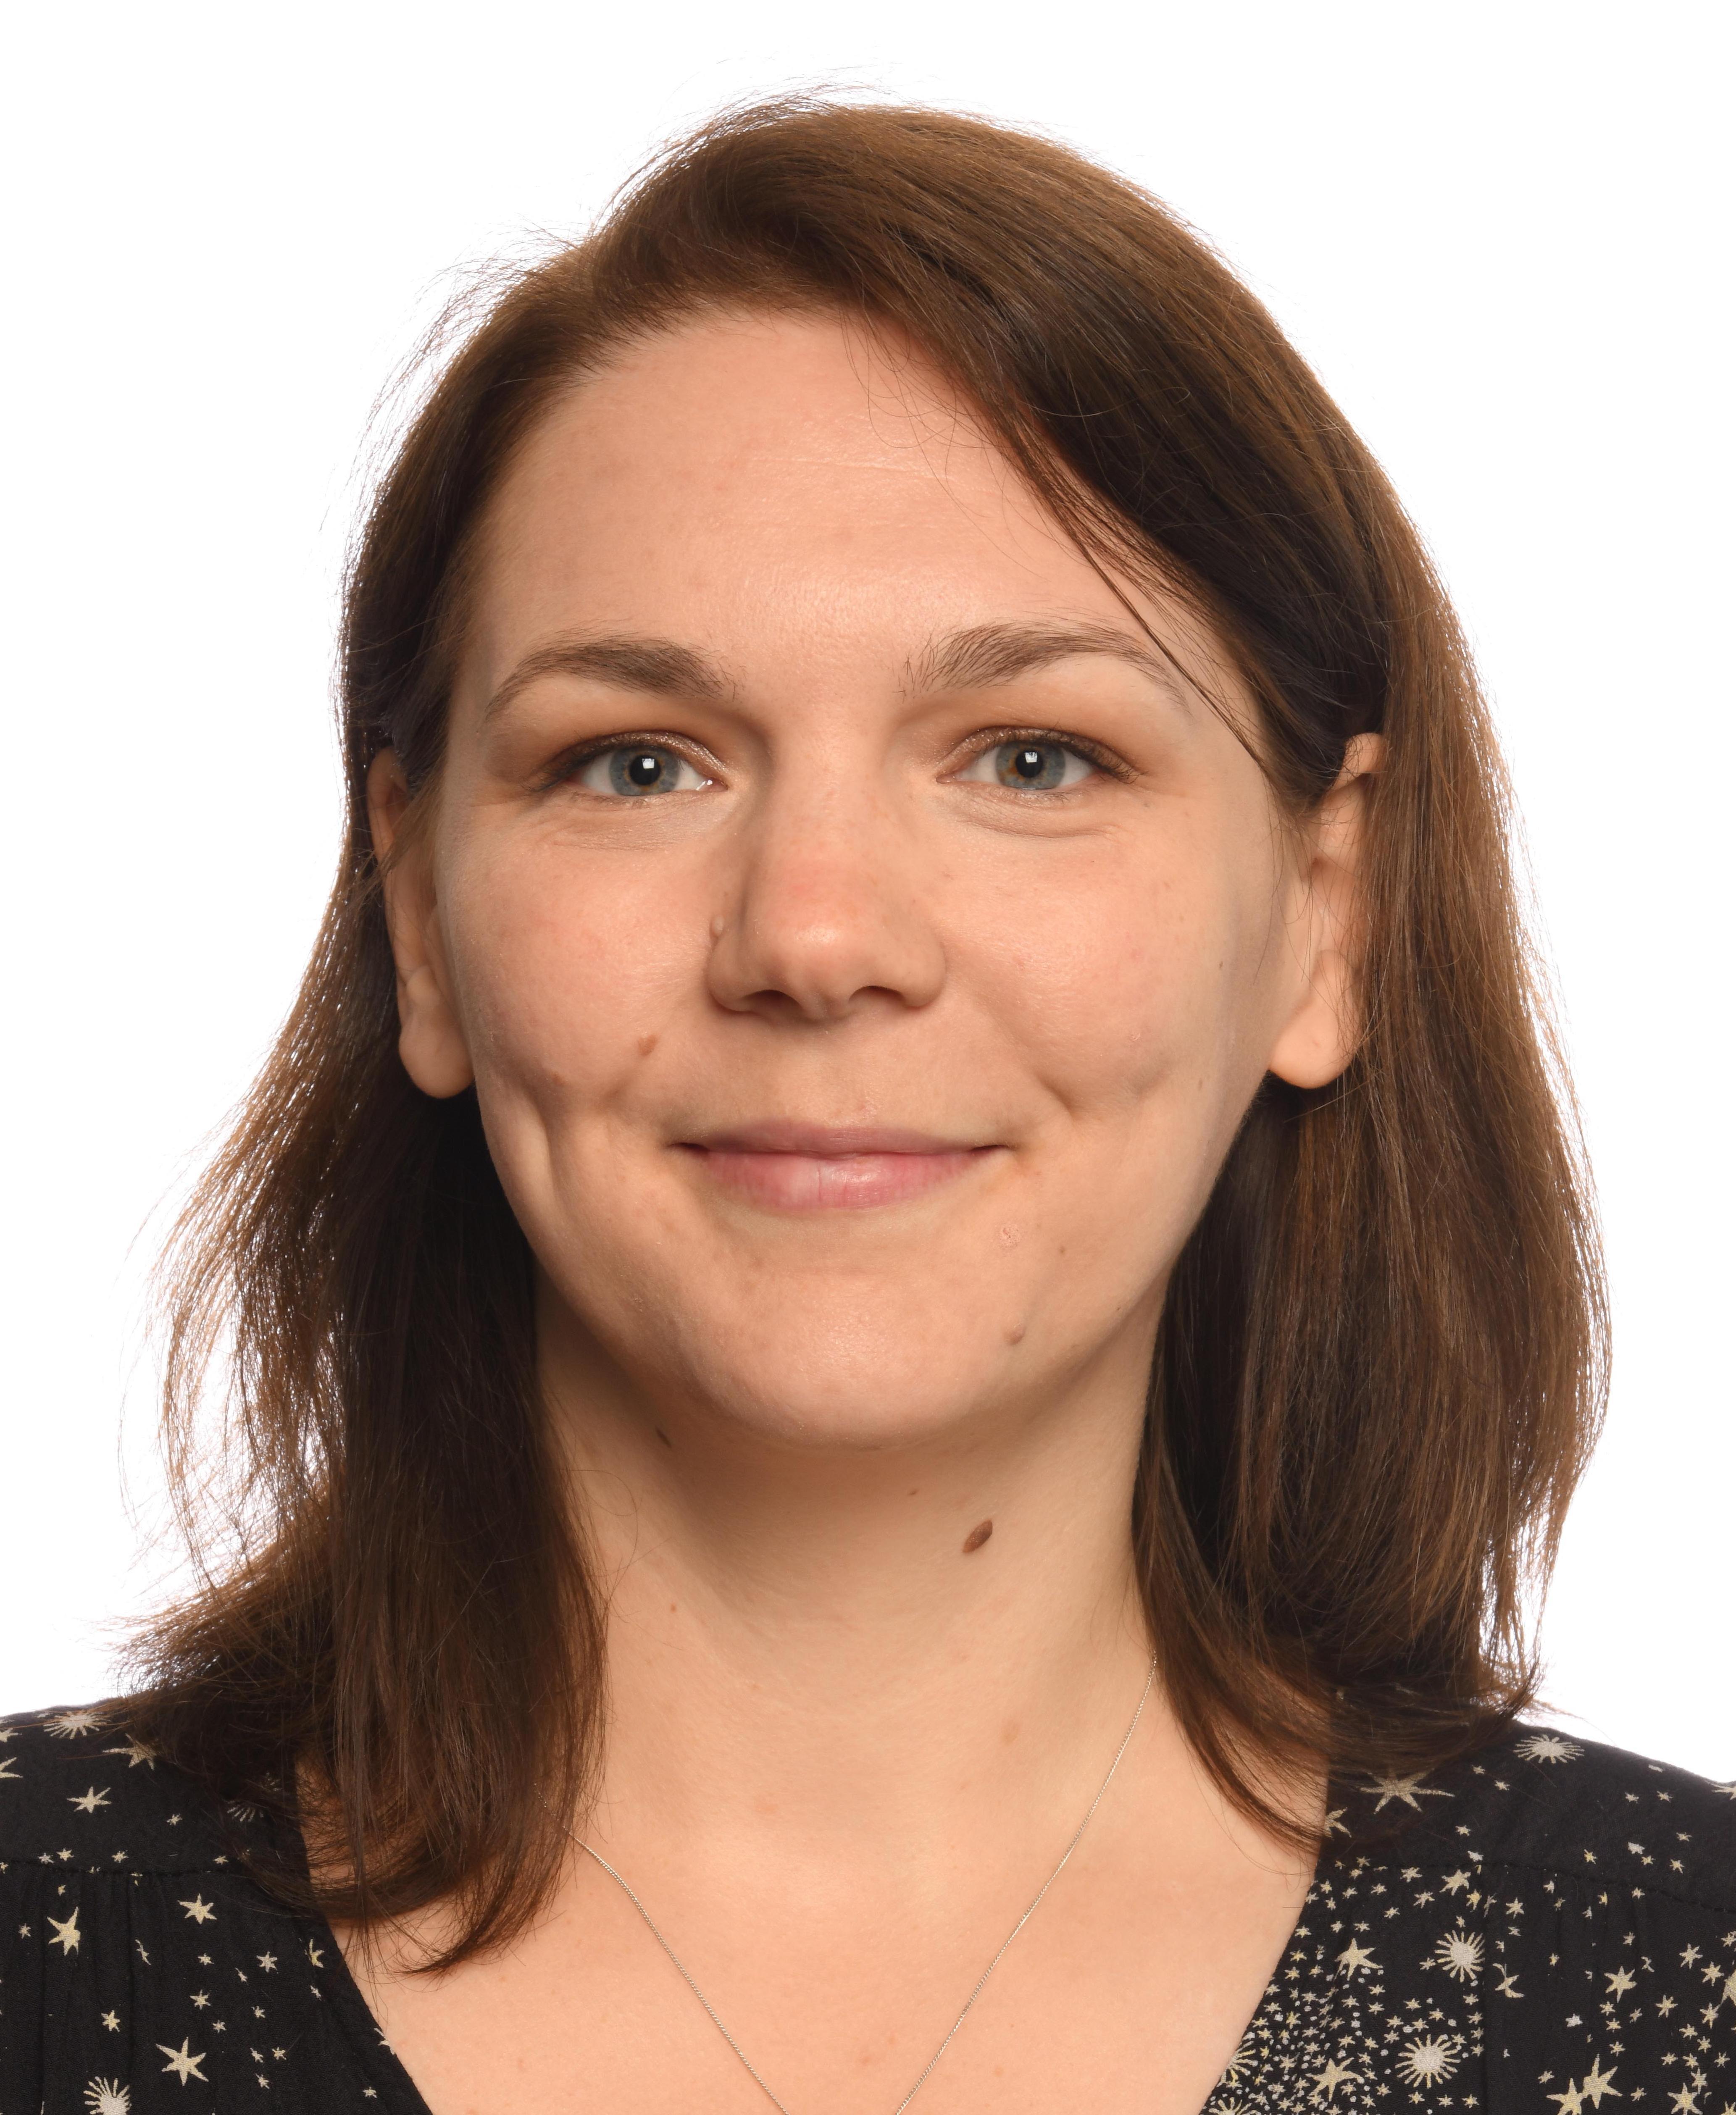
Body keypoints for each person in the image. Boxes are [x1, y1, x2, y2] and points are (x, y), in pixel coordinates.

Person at [2, 97, 1730, 2115]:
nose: (815, 936)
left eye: (1030, 757)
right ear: (420, 916)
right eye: (637, 762)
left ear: (1323, 913)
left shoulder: (1680, 1981)